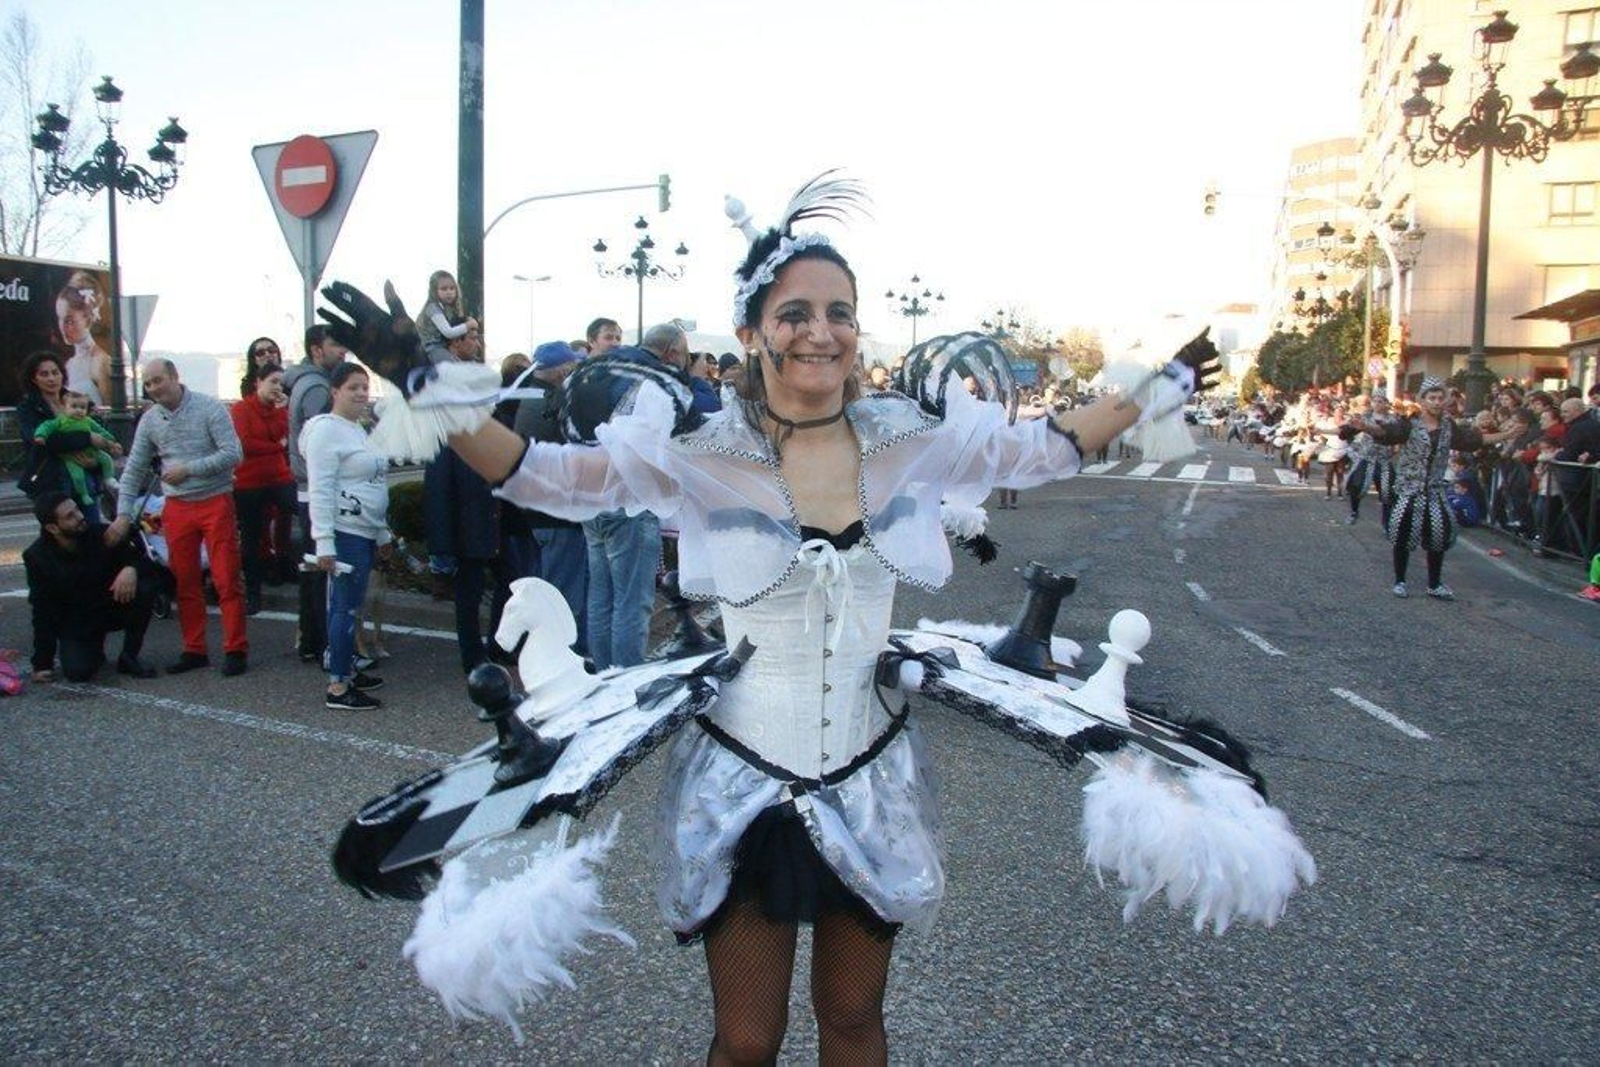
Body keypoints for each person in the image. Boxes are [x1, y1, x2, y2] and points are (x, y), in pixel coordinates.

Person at [316, 173, 1220, 1060]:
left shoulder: (911, 440)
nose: (821, 332)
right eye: (795, 313)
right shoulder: (699, 453)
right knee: (747, 1039)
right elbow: (536, 474)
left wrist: (1161, 382)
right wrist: (430, 381)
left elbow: (1049, 448)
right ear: (751, 331)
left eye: (840, 311)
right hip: (741, 781)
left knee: (854, 1022)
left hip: (872, 776)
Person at [108, 358, 248, 675]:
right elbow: (134, 469)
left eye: (158, 380)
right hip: (177, 507)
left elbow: (233, 453)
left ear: (174, 376)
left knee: (226, 577)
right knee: (184, 580)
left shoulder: (209, 407)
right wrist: (123, 513)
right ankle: (194, 649)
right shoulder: (150, 420)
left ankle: (235, 648)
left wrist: (189, 469)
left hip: (215, 499)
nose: (153, 388)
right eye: (148, 383)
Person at [1352, 375, 1511, 600]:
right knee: (1402, 534)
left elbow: (1472, 440)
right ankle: (1400, 580)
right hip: (1409, 489)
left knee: (1439, 534)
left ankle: (1434, 584)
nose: (1437, 402)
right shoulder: (1410, 424)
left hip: (1434, 490)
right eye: (1432, 398)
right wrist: (1367, 427)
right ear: (1423, 400)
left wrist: (1507, 435)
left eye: (1440, 398)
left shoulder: (1448, 427)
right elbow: (1388, 433)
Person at [302, 363, 391, 710]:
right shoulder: (327, 431)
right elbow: (320, 489)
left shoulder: (358, 429)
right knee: (344, 608)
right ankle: (338, 685)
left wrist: (382, 532)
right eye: (353, 387)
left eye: (364, 387)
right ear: (335, 391)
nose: (360, 394)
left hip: (365, 531)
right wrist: (324, 540)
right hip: (344, 533)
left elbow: (373, 483)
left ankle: (348, 669)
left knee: (352, 609)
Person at [422, 321, 502, 674]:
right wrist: (442, 546)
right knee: (468, 599)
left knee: (506, 587)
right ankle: (472, 656)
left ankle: (497, 646)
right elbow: (438, 493)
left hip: (495, 525)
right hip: (467, 530)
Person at [24, 491, 158, 683]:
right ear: (52, 528)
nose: (80, 517)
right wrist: (42, 664)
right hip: (77, 621)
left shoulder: (100, 534)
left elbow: (146, 560)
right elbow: (42, 610)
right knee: (79, 673)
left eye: (77, 510)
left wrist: (131, 568)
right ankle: (93, 648)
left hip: (110, 607)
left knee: (145, 586)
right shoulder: (38, 557)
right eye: (70, 516)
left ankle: (129, 656)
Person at [508, 341, 589, 654]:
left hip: (540, 511)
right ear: (560, 369)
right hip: (558, 515)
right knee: (563, 596)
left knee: (550, 587)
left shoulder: (529, 398)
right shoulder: (551, 403)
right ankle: (564, 658)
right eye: (570, 366)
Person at [284, 325, 348, 662]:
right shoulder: (317, 388)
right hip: (317, 491)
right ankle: (325, 643)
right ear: (316, 350)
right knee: (324, 571)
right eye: (336, 343)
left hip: (309, 489)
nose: (343, 351)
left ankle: (311, 639)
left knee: (311, 570)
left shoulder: (306, 382)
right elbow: (323, 441)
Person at [232, 363, 297, 615]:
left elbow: (284, 435)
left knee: (302, 509)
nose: (278, 388)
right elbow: (246, 444)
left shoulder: (280, 410)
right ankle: (253, 594)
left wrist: (281, 414)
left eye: (281, 383)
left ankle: (300, 569)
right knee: (251, 536)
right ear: (258, 382)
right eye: (273, 381)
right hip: (248, 481)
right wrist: (276, 446)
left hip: (279, 476)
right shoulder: (241, 409)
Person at [30, 390, 120, 520]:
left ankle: (109, 478)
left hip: (91, 454)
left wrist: (112, 442)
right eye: (74, 407)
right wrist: (40, 435)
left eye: (82, 407)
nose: (78, 410)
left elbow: (101, 431)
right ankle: (84, 494)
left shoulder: (88, 420)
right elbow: (47, 428)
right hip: (69, 460)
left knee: (106, 459)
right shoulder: (61, 421)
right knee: (78, 476)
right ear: (65, 407)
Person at [56, 276, 112, 407]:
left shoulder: (100, 361)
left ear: (87, 319)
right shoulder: (69, 364)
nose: (63, 327)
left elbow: (110, 410)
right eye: (60, 318)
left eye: (69, 321)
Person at [415, 269, 478, 363]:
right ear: (434, 291)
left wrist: (465, 320)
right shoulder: (433, 309)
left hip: (445, 346)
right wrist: (468, 325)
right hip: (434, 348)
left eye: (452, 288)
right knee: (452, 367)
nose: (449, 292)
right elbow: (448, 333)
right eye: (444, 289)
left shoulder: (447, 309)